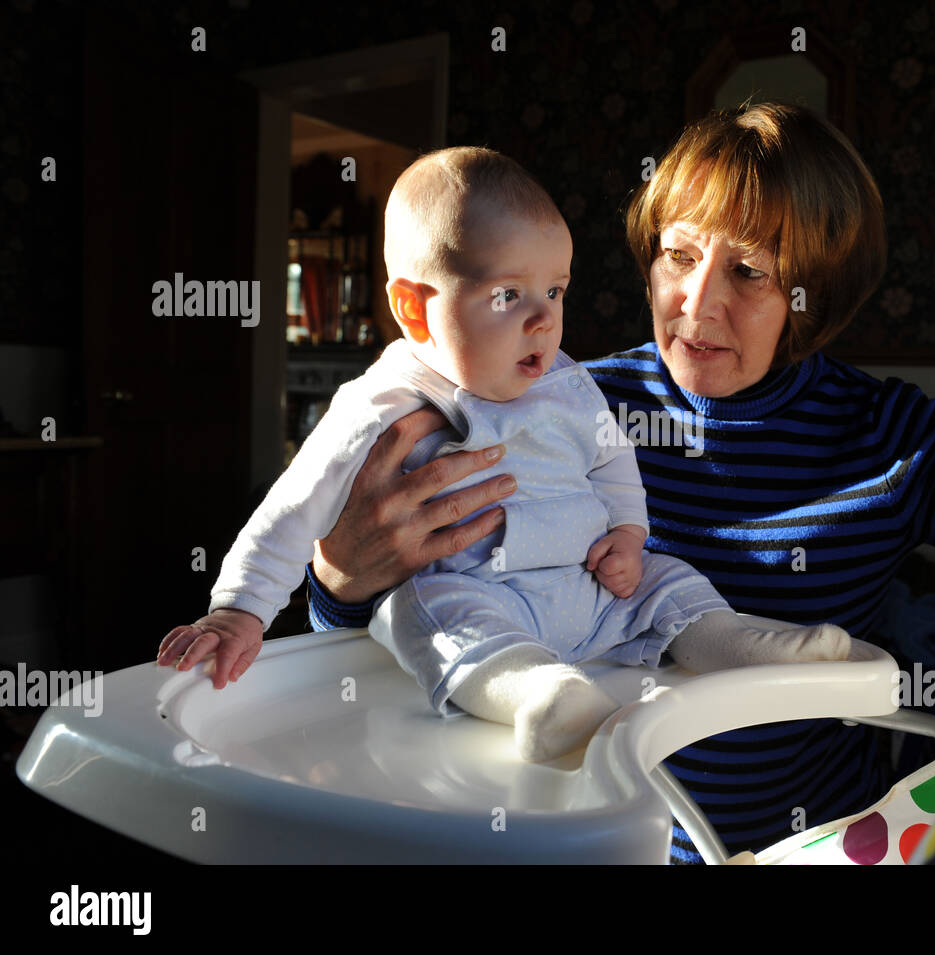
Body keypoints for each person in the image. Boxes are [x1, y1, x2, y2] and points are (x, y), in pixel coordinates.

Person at [195, 102, 935, 863]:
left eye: (752, 271)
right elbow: (400, 607)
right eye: (678, 254)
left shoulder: (898, 435)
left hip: (811, 840)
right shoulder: (541, 399)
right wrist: (340, 575)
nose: (695, 304)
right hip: (560, 833)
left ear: (818, 290)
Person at [157, 146, 850, 763]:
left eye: (555, 289)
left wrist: (631, 533)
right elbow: (293, 507)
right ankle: (538, 695)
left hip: (591, 589)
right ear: (416, 309)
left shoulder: (569, 381)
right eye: (509, 294)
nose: (545, 319)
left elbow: (611, 459)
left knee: (667, 579)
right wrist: (239, 609)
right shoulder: (383, 403)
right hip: (479, 594)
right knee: (420, 611)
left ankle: (734, 644)